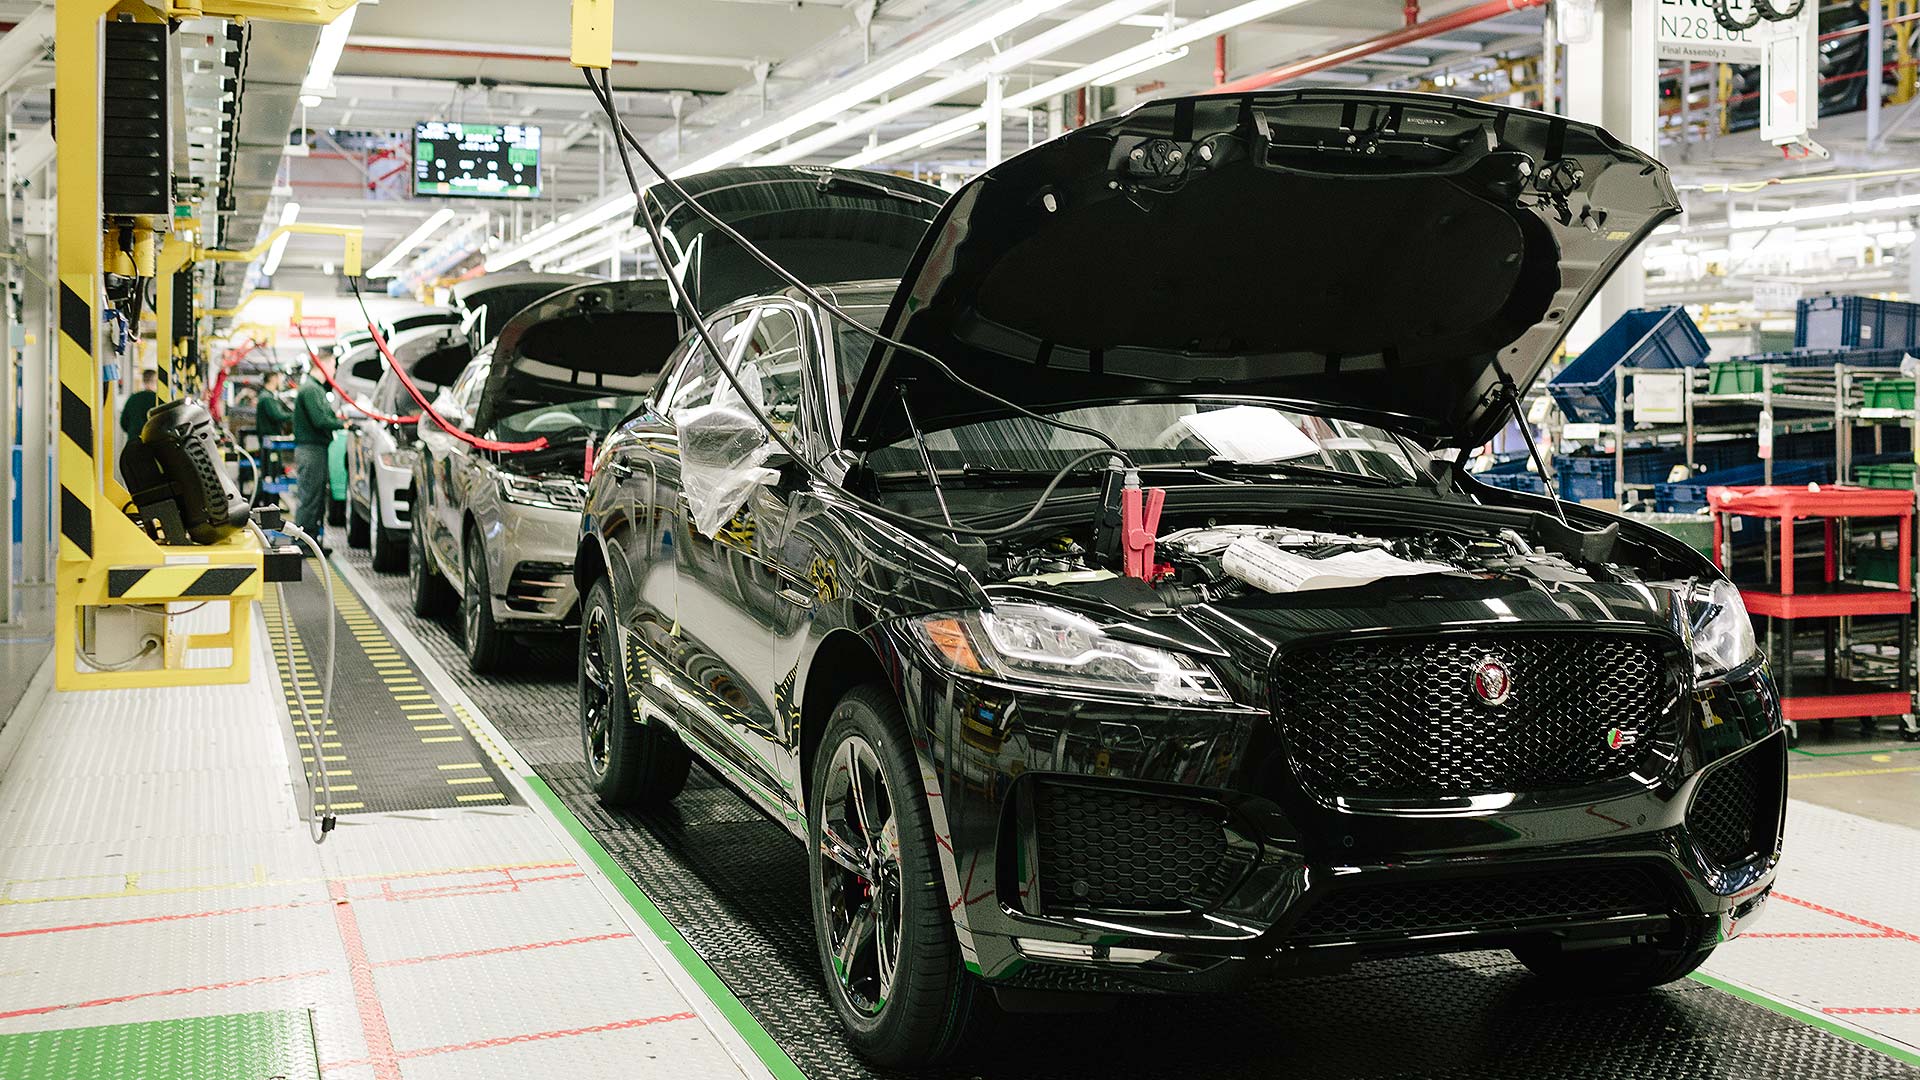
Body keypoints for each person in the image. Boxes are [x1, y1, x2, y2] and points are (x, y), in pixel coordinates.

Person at [291, 365, 344, 547]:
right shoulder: (312, 389)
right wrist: (342, 424)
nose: (334, 371)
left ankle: (311, 543)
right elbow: (319, 420)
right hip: (311, 450)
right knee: (310, 498)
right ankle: (302, 544)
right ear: (323, 363)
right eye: (333, 366)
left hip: (315, 450)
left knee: (315, 497)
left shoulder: (313, 388)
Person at [119, 368, 159, 447]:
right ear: (156, 381)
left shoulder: (133, 398)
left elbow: (123, 422)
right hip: (153, 445)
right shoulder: (157, 400)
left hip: (133, 444)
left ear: (143, 381)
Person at [255, 371, 293, 437]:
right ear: (273, 379)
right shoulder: (267, 397)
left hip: (268, 437)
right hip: (269, 438)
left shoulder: (267, 395)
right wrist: (295, 415)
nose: (282, 382)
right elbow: (278, 415)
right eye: (280, 379)